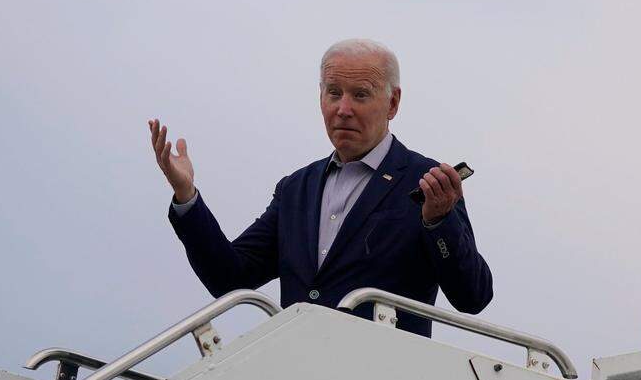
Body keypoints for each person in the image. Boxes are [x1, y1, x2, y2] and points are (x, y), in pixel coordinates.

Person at [149, 39, 493, 336]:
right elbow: (229, 278)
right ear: (320, 97)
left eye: (360, 95)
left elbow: (473, 296)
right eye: (334, 93)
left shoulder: (428, 181)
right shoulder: (296, 188)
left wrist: (438, 221)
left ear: (393, 103)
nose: (343, 109)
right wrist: (187, 198)